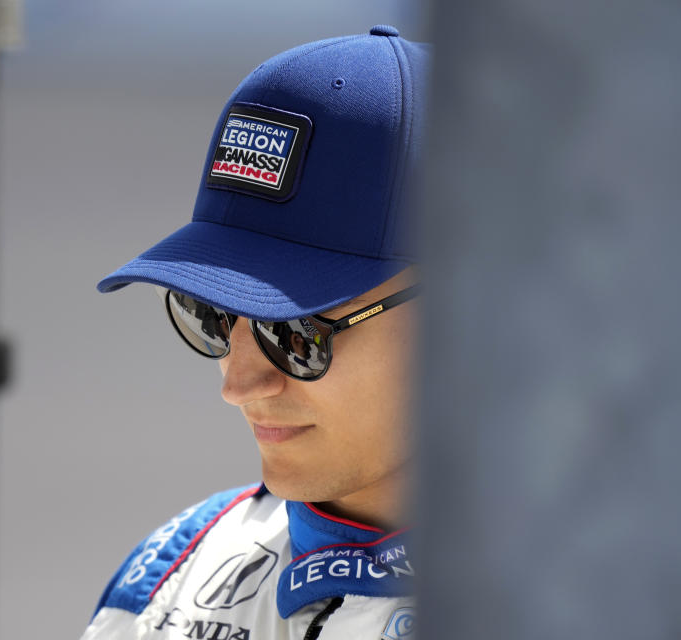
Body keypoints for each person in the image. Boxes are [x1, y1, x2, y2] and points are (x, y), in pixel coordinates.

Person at [83, 25, 429, 640]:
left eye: (294, 333)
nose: (238, 385)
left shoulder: (615, 593)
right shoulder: (172, 576)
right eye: (211, 315)